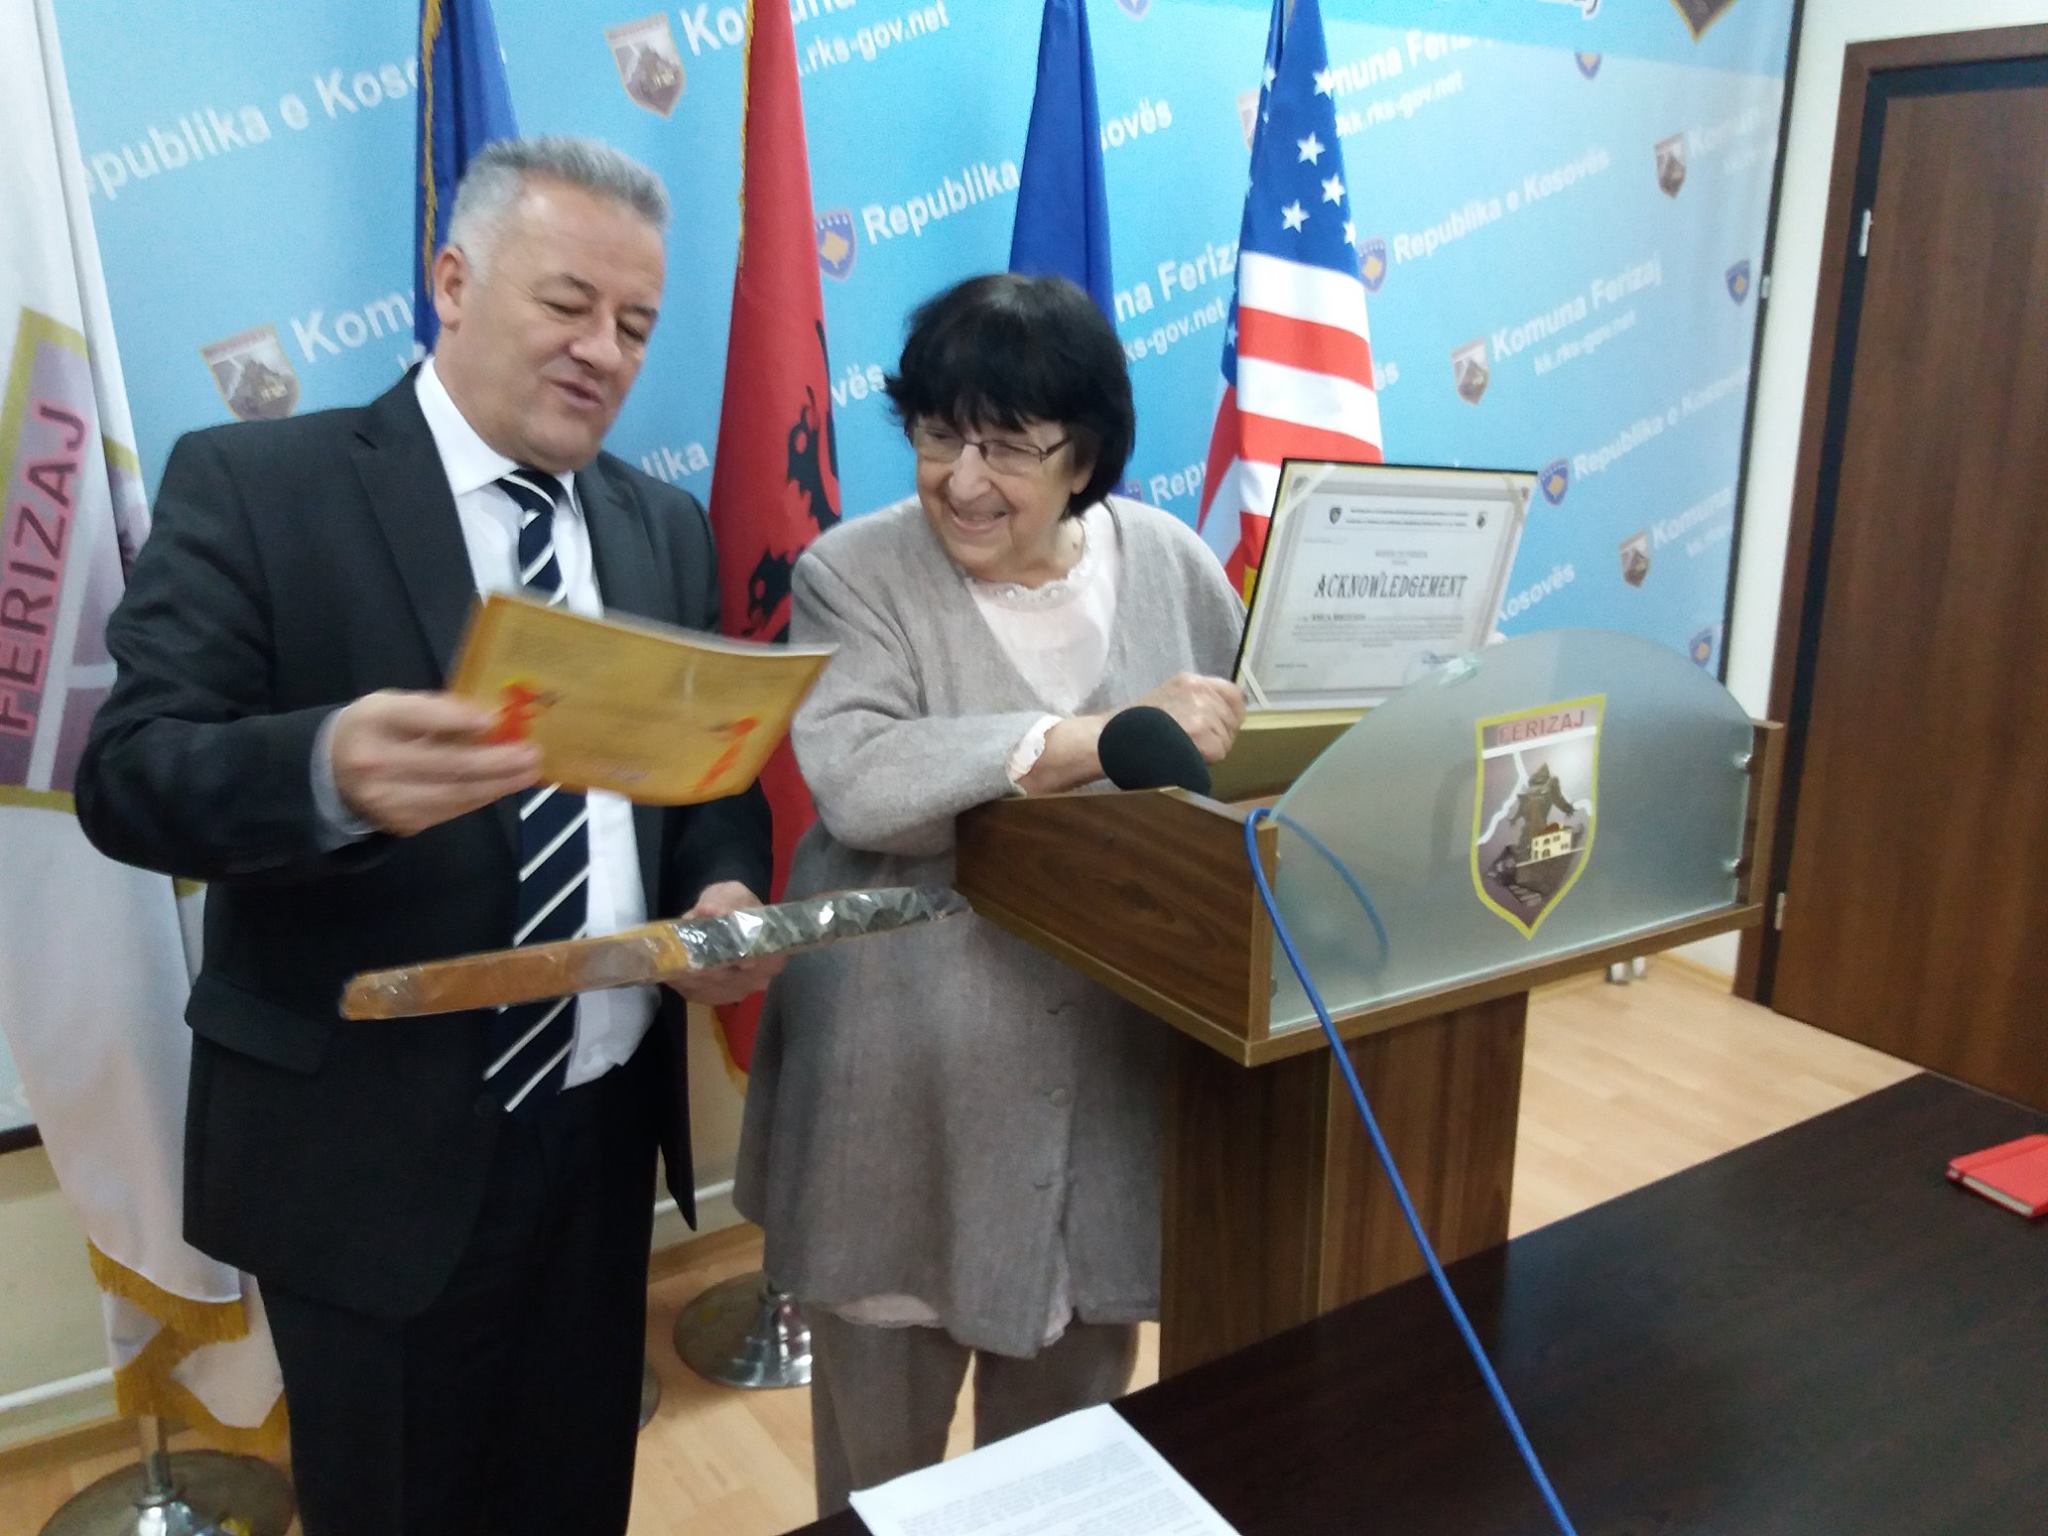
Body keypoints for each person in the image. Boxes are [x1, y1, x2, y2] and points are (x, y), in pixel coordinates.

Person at [75, 137, 778, 1536]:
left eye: (635, 325)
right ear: (452, 282)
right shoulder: (260, 487)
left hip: (597, 1142)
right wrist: (323, 768)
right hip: (366, 1159)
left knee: (574, 1498)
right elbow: (129, 776)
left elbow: (708, 791)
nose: (603, 351)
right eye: (567, 303)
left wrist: (723, 887)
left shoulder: (660, 527)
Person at [734, 273, 1247, 1516]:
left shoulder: (1173, 564)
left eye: (1007, 447)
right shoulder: (853, 573)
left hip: (1105, 1091)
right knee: (879, 1475)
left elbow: (1240, 753)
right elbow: (862, 780)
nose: (962, 480)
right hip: (898, 1097)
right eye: (936, 436)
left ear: (1084, 459)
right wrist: (1088, 740)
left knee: (1063, 1465)